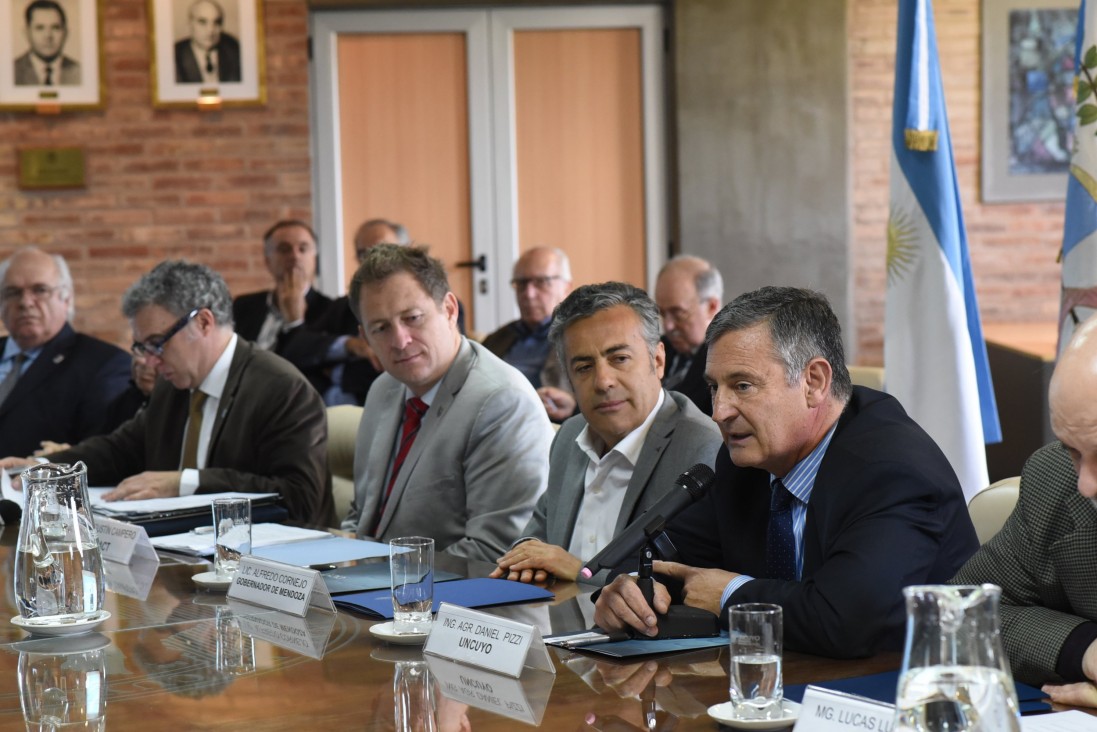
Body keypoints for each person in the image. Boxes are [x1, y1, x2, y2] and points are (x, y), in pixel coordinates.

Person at [593, 286, 978, 659]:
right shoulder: (747, 461)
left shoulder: (892, 471)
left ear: (814, 382)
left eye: (742, 386)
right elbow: (664, 555)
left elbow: (844, 620)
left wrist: (729, 595)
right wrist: (632, 589)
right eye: (714, 387)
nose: (719, 411)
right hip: (786, 689)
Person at [4, 260, 332, 526]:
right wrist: (47, 466)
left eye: (157, 343)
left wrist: (184, 483)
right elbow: (120, 450)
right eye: (142, 346)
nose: (149, 360)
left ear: (203, 322)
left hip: (270, 577)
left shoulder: (281, 389)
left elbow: (300, 498)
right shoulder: (174, 385)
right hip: (182, 560)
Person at [490, 282, 721, 584]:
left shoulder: (700, 449)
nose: (603, 381)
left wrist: (576, 569)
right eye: (584, 367)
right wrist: (525, 556)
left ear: (658, 360)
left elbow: (679, 585)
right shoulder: (568, 436)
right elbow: (538, 534)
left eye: (619, 359)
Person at [342, 244, 553, 561]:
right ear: (365, 336)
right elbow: (361, 517)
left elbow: (494, 551)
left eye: (412, 318)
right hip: (375, 593)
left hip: (454, 602)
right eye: (381, 328)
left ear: (450, 310)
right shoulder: (383, 389)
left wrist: (377, 577)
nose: (400, 341)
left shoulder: (502, 402)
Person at [952, 314, 1097, 704]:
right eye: (1072, 450)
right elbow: (962, 613)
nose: (1086, 484)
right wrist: (1083, 648)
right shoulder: (1054, 480)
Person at [0, 247, 130, 458]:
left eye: (40, 290)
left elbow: (106, 453)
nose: (25, 302)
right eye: (13, 292)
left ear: (66, 298)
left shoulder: (104, 365)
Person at [232, 219, 370, 400]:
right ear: (267, 261)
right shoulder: (244, 305)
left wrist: (295, 322)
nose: (295, 256)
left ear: (315, 259)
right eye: (284, 249)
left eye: (303, 249)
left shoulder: (332, 309)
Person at [482, 247, 574, 420]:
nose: (529, 294)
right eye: (521, 284)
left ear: (566, 288)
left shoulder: (581, 337)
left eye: (542, 282)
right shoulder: (498, 338)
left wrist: (574, 406)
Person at [653, 255, 723, 416]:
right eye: (662, 313)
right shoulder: (654, 349)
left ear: (711, 307)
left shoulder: (729, 361)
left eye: (678, 313)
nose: (668, 326)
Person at [14, 0, 80, 86]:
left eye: (55, 28)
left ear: (65, 33)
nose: (48, 36)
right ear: (27, 33)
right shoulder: (11, 71)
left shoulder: (79, 72)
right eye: (40, 28)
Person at [174, 0, 241, 84]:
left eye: (216, 22)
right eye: (202, 22)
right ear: (189, 24)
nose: (210, 30)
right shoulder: (174, 56)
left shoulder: (235, 52)